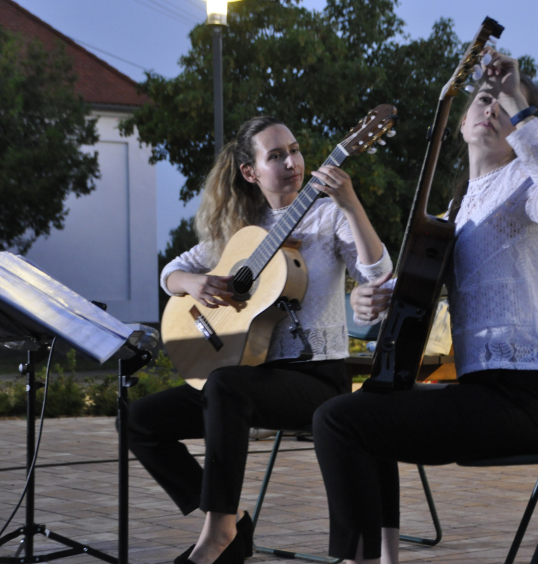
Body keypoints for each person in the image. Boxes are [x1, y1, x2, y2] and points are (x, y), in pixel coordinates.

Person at [312, 47, 538, 564]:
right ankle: (383, 557)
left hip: (529, 399)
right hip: (483, 392)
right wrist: (369, 298)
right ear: (460, 122)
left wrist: (515, 97)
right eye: (484, 100)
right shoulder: (454, 211)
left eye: (506, 105)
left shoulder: (527, 185)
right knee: (364, 409)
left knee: (339, 422)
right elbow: (410, 295)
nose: (492, 109)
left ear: (523, 127)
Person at [128, 116, 392, 564]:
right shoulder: (243, 227)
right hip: (247, 379)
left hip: (315, 379)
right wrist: (192, 282)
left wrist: (351, 205)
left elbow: (378, 273)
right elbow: (170, 271)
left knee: (225, 385)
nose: (292, 162)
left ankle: (218, 534)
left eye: (294, 149)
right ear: (250, 172)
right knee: (139, 420)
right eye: (276, 155)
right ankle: (234, 522)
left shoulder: (328, 217)